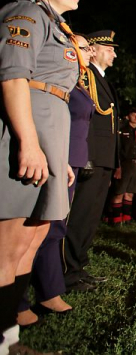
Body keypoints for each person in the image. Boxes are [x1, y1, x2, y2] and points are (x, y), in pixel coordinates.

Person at [0, 0, 86, 353]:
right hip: (28, 136)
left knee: (31, 243)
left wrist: (59, 160)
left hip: (50, 140)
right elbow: (15, 78)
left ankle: (10, 338)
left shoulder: (58, 25)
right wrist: (30, 144)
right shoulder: (27, 14)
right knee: (9, 246)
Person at [16, 34, 95, 327]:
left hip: (68, 157)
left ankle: (49, 290)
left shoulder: (77, 83)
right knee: (32, 227)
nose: (87, 52)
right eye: (84, 47)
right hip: (51, 153)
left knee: (54, 226)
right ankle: (19, 299)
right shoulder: (54, 82)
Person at [64, 29, 120, 293]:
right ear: (95, 49)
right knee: (79, 216)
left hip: (103, 159)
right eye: (110, 49)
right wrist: (84, 156)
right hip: (91, 158)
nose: (114, 54)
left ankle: (79, 266)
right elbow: (82, 119)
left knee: (90, 218)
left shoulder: (101, 79)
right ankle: (67, 272)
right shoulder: (84, 76)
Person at [111, 109, 136, 223]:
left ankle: (126, 218)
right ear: (128, 116)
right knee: (119, 192)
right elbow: (117, 150)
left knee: (130, 193)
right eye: (133, 115)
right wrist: (118, 167)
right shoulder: (122, 131)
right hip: (124, 163)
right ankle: (116, 219)